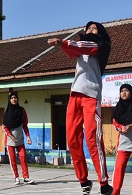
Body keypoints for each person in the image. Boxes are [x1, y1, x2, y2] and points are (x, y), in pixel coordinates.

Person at [47, 21, 113, 195]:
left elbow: (84, 46)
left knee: (92, 139)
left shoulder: (99, 46)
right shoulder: (80, 50)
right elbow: (73, 50)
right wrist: (63, 46)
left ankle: (104, 181)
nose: (91, 31)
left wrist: (63, 42)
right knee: (73, 140)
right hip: (75, 96)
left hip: (91, 96)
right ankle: (83, 180)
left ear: (100, 33)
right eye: (88, 28)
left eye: (94, 28)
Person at [2, 92, 34, 185]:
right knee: (12, 160)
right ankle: (16, 177)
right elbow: (5, 127)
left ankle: (26, 177)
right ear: (9, 100)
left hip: (20, 139)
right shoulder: (7, 113)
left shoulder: (22, 110)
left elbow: (25, 125)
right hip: (9, 140)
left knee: (23, 157)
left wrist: (28, 137)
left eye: (15, 97)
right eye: (12, 98)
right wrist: (11, 136)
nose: (14, 99)